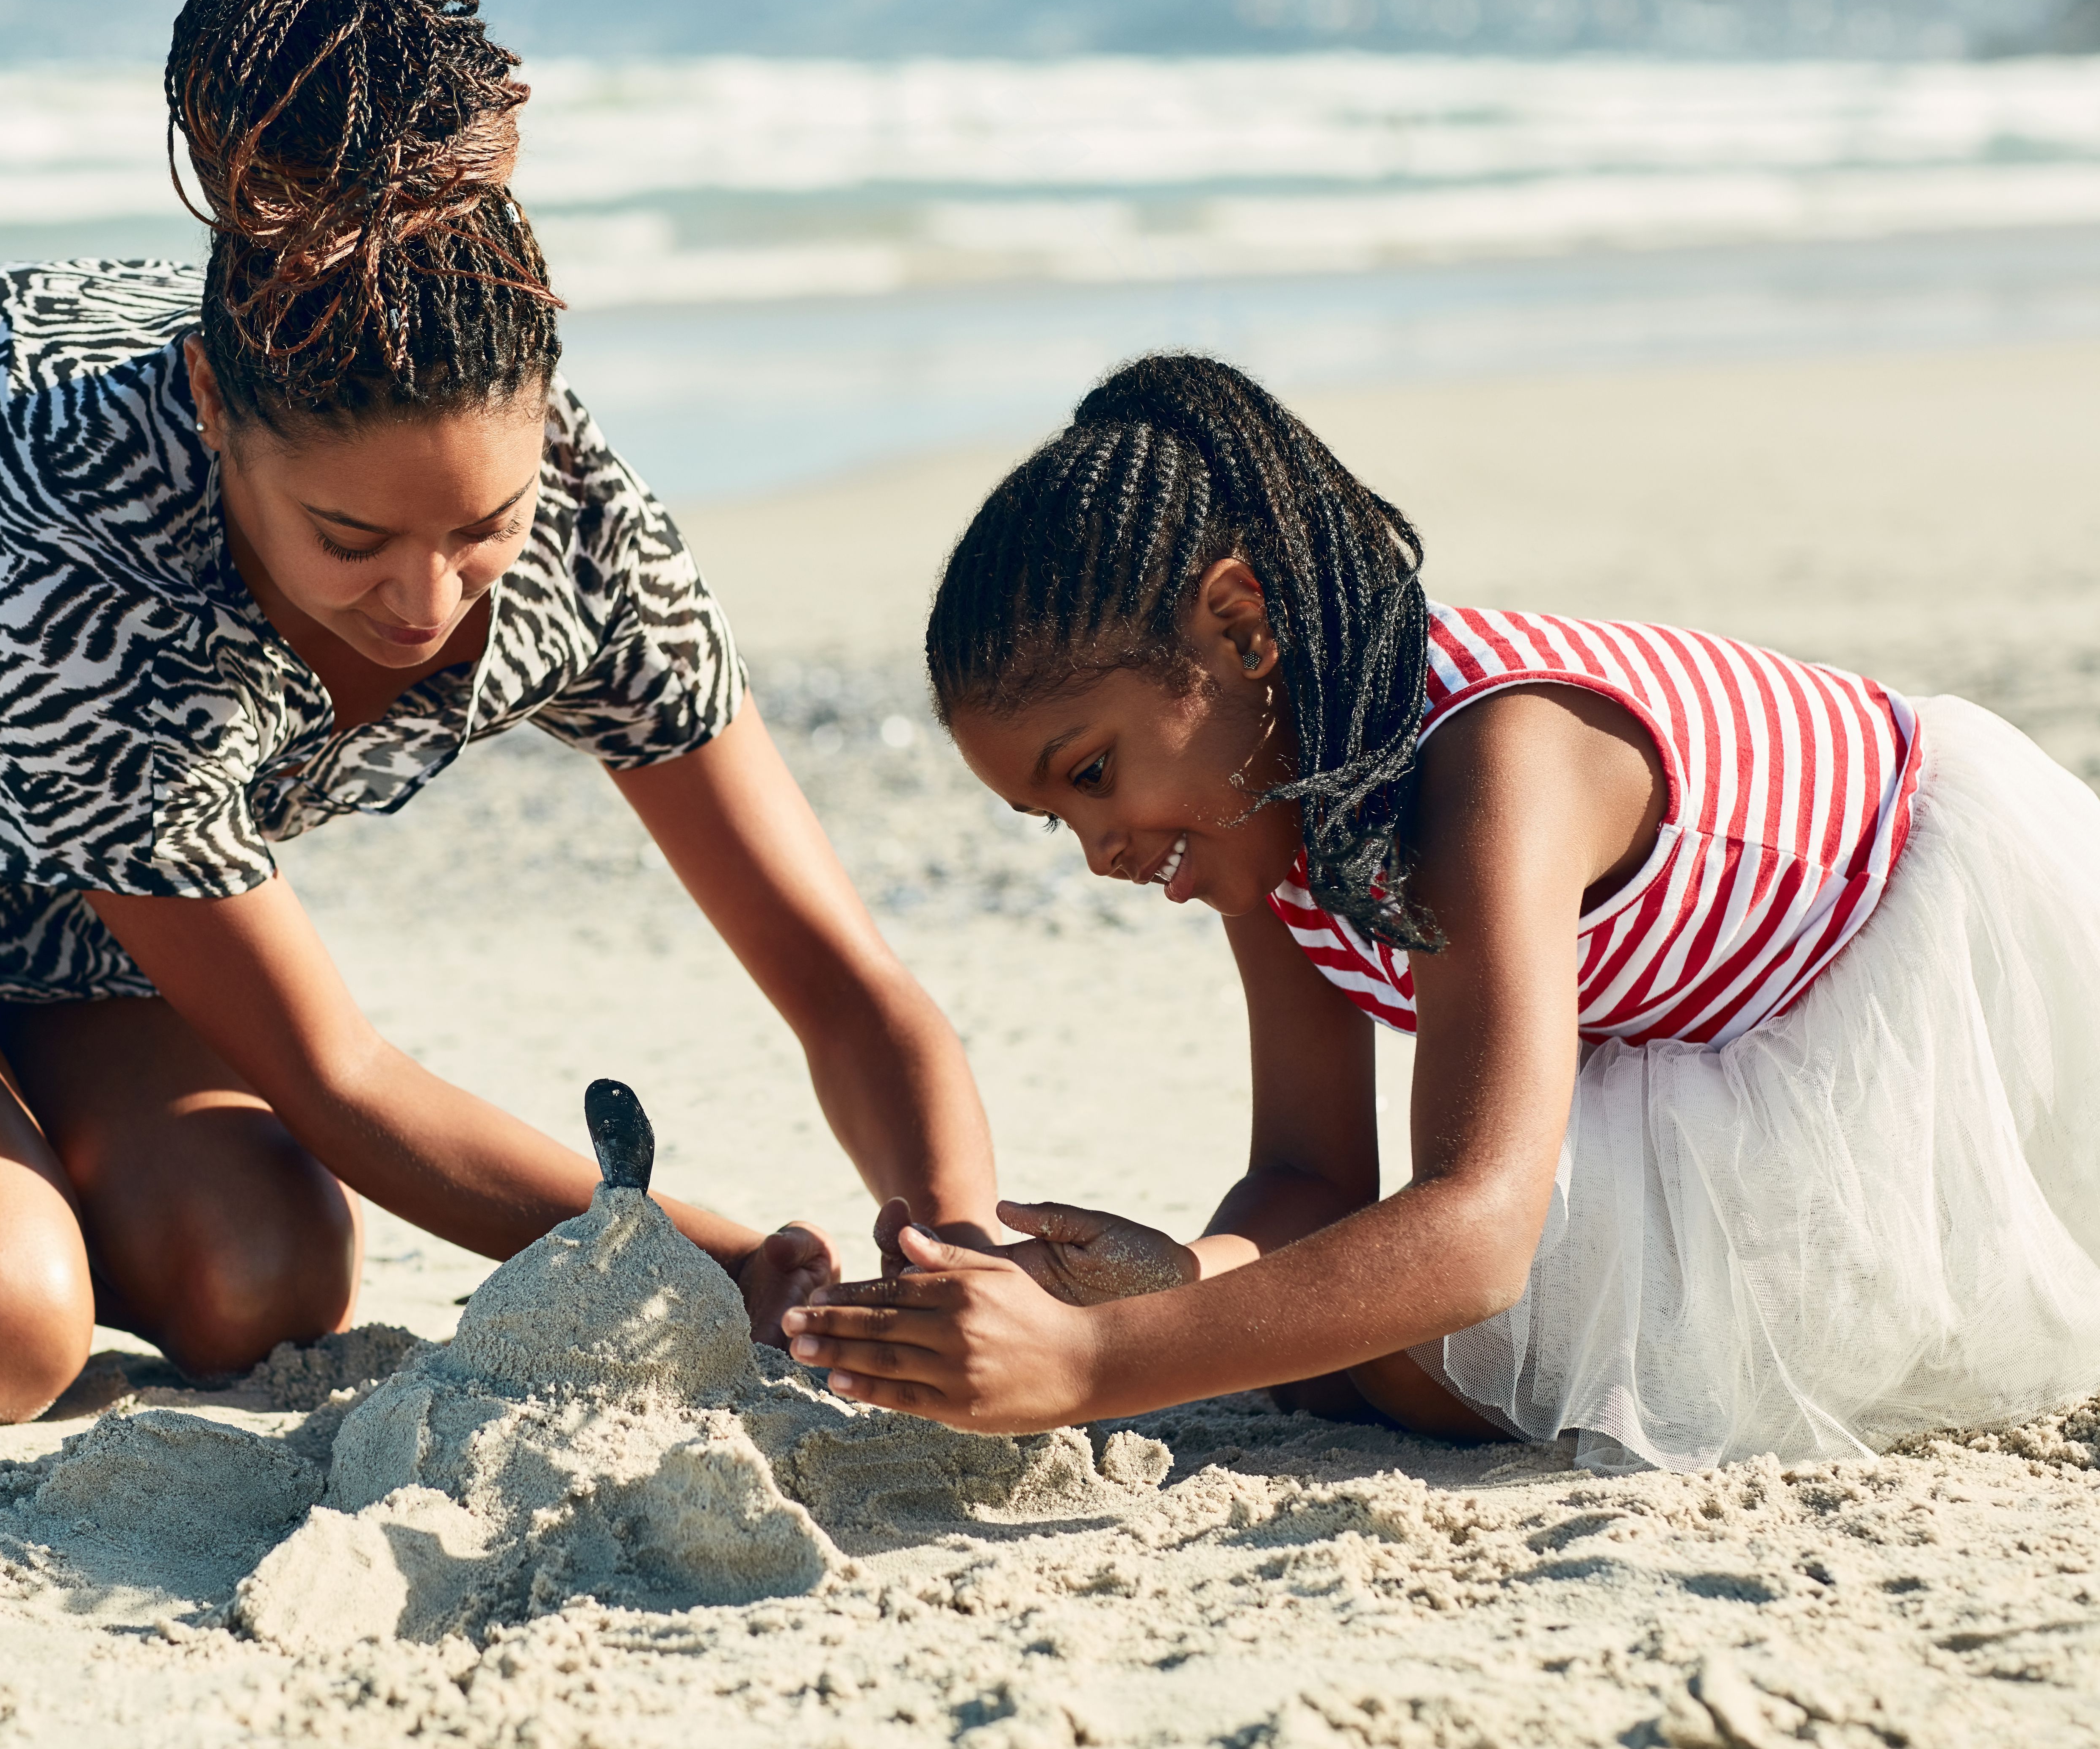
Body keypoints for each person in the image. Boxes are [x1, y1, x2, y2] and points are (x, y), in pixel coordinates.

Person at [0, 0, 1000, 1424]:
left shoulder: (586, 521)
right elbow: (337, 1078)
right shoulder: (67, 560)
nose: (425, 603)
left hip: (59, 860)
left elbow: (846, 984)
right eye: (352, 541)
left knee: (257, 1278)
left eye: (483, 530)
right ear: (213, 408)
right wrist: (703, 1261)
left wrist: (957, 1254)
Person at [783, 352, 2100, 1470]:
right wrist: (1174, 1277)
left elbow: (1473, 1237)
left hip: (1903, 974)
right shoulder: (1266, 814)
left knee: (1415, 1349)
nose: (1100, 851)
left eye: (1093, 773)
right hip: (1680, 1043)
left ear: (1241, 626)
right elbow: (1311, 1179)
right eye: (1055, 818)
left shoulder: (1497, 759)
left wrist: (1084, 1364)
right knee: (1338, 1351)